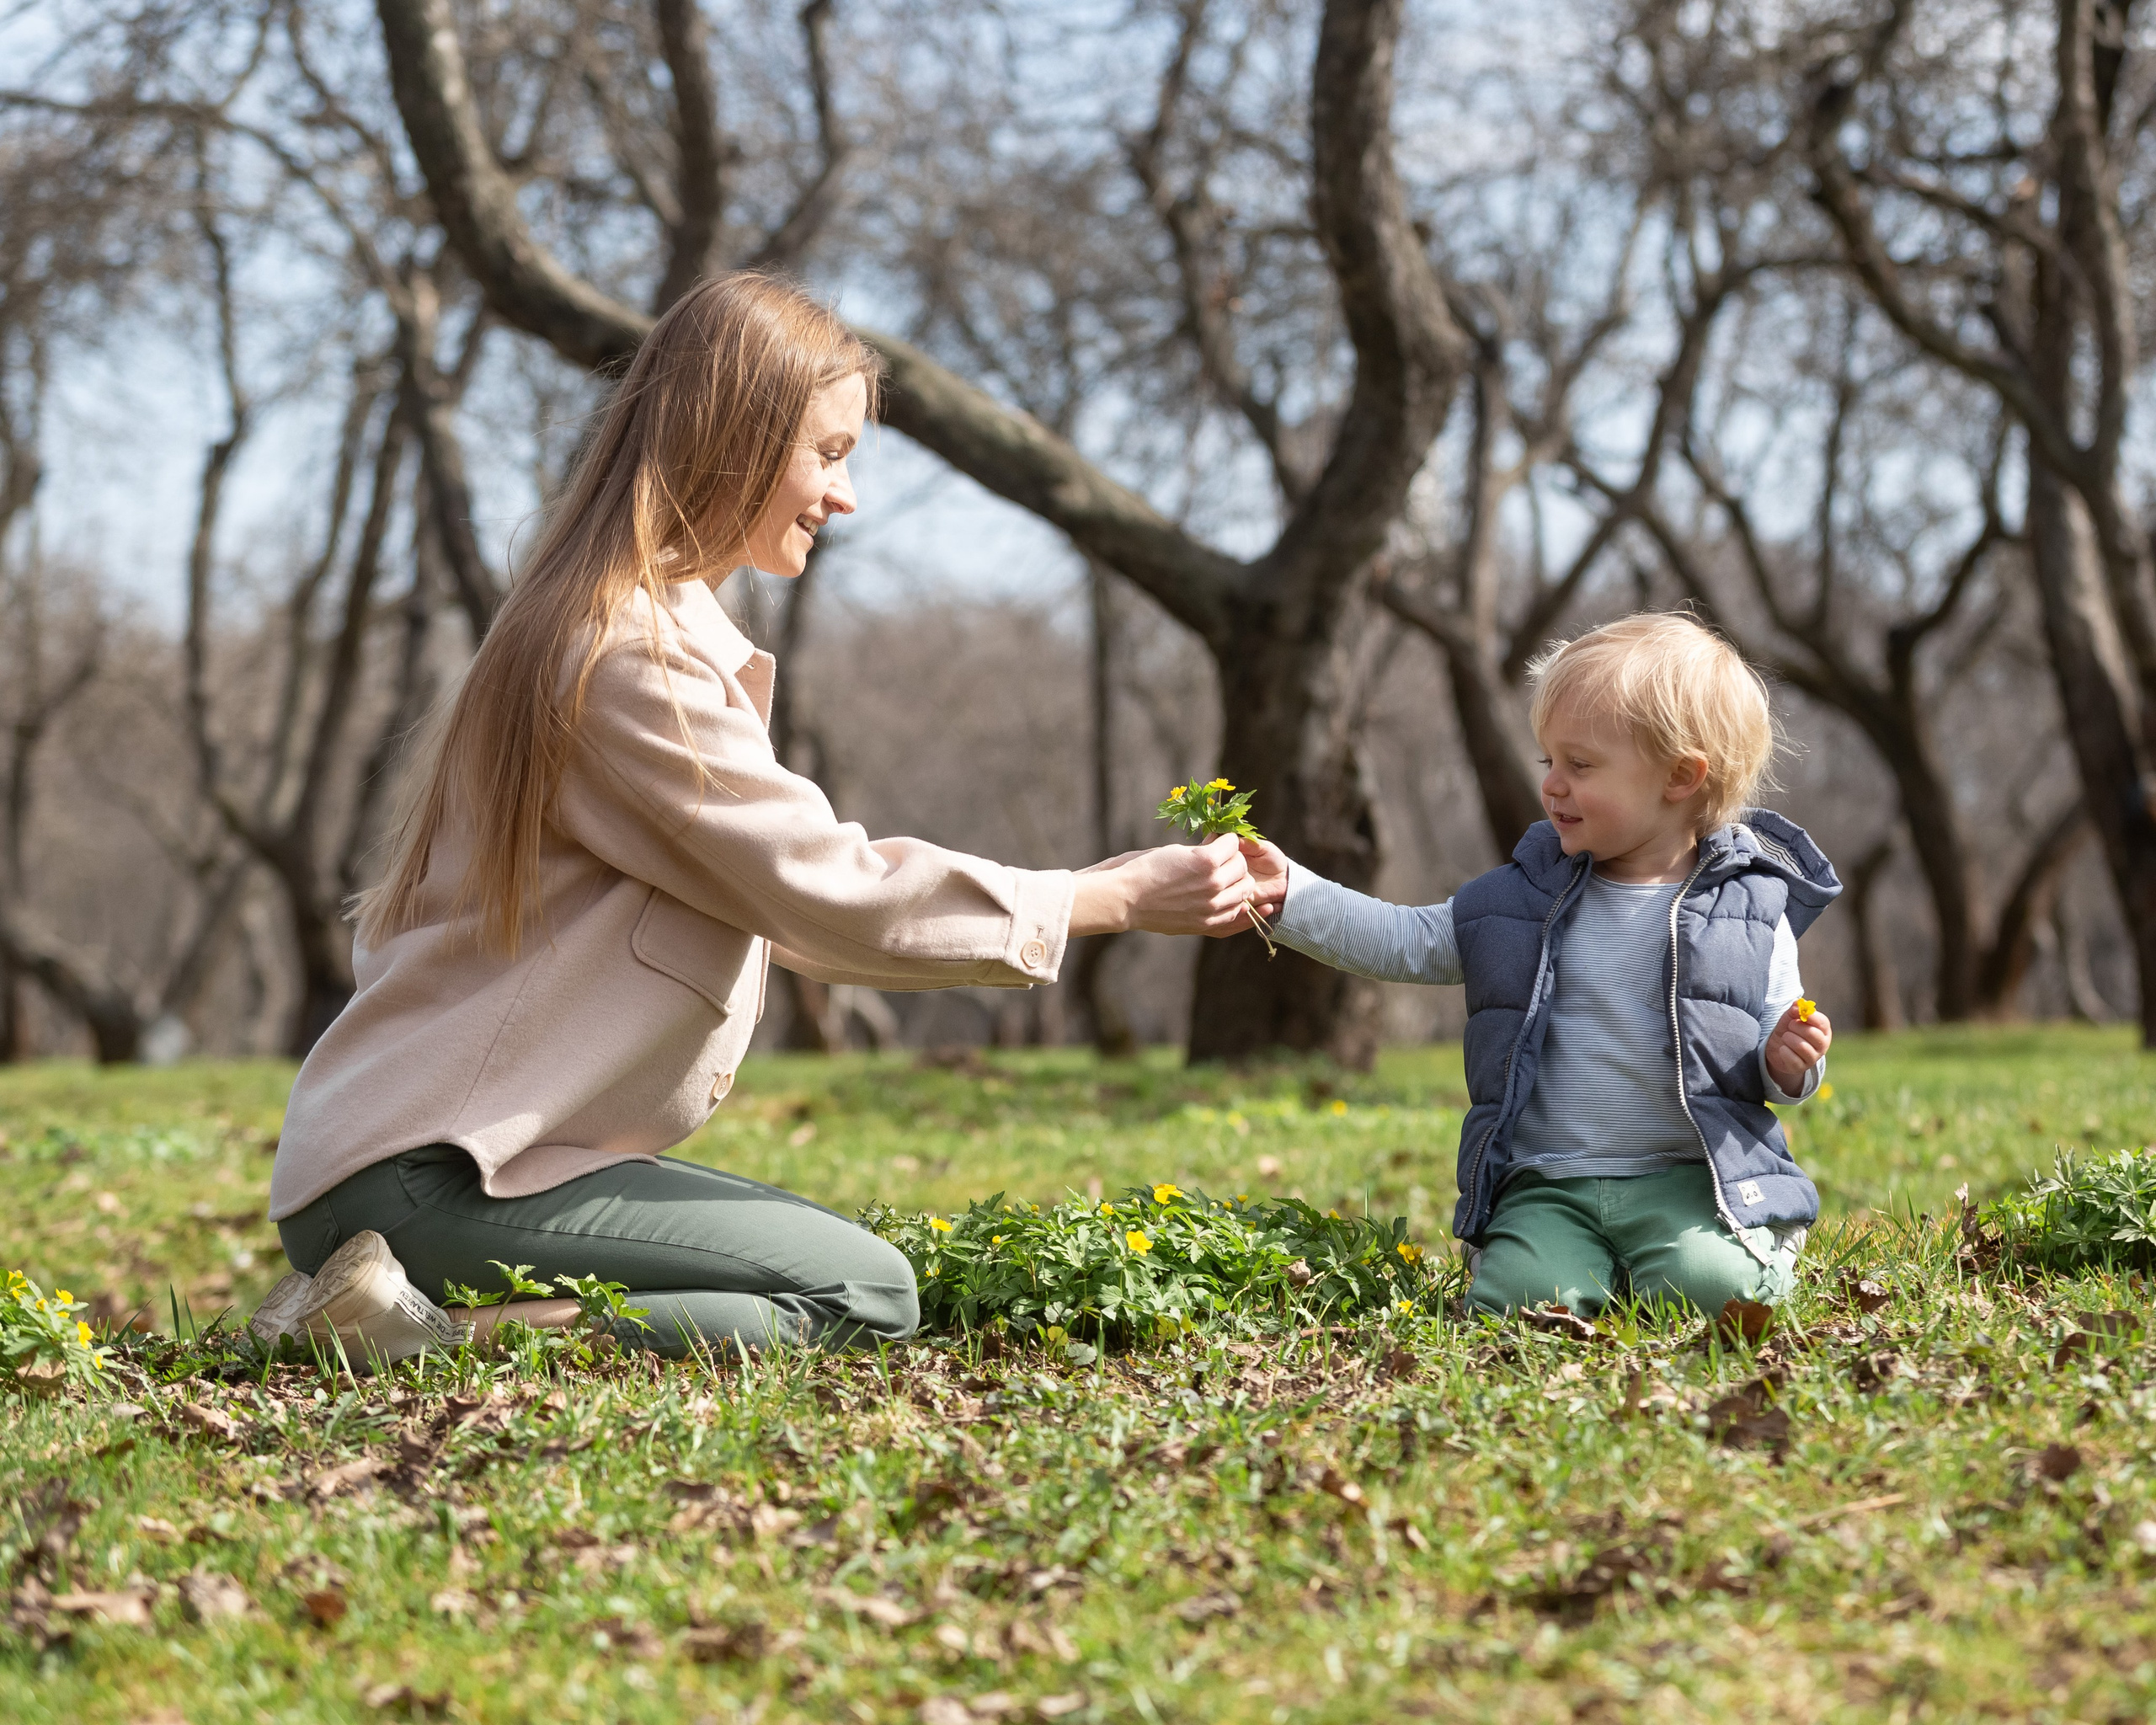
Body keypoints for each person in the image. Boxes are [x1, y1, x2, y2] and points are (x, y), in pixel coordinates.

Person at [248, 274, 1256, 1365]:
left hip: (435, 1163)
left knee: (806, 1299)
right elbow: (829, 893)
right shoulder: (622, 659)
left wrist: (1079, 891)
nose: (846, 495)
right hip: (430, 1173)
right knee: (860, 1288)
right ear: (732, 435)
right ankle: (416, 1334)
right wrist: (1109, 900)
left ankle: (369, 1310)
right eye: (828, 453)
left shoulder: (616, 633)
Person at [1239, 613, 1840, 1318]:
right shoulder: (1521, 900)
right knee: (1522, 1303)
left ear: (1680, 776)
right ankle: (1570, 1260)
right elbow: (1405, 939)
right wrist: (1291, 895)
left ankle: (1713, 1254)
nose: (1552, 785)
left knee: (1717, 1293)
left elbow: (1776, 1049)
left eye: (1580, 765)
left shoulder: (1749, 911)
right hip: (1550, 1184)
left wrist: (1790, 1060)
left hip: (1693, 1182)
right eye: (1548, 761)